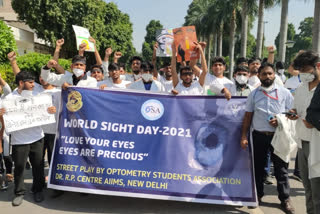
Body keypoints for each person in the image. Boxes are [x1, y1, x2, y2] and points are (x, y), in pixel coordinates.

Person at [240, 63, 295, 213]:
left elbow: (293, 114)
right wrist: (244, 135)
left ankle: (285, 199)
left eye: (270, 73)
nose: (267, 76)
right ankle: (257, 196)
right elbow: (248, 116)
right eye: (264, 74)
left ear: (274, 75)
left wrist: (281, 121)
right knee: (258, 168)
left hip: (279, 136)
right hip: (259, 136)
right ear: (258, 76)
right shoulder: (254, 94)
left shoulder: (285, 93)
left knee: (281, 169)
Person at [0, 71, 56, 206]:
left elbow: (46, 111)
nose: (33, 85)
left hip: (37, 137)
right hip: (19, 141)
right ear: (21, 83)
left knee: (38, 166)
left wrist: (50, 111)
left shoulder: (39, 97)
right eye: (30, 82)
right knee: (19, 167)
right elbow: (4, 120)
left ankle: (37, 190)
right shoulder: (8, 100)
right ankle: (19, 192)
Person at [288, 51, 320, 214]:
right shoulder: (300, 89)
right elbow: (297, 108)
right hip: (302, 143)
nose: (304, 74)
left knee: (317, 193)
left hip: (318, 144)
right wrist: (293, 113)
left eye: (306, 70)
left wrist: (315, 123)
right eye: (301, 71)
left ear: (317, 67)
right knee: (307, 189)